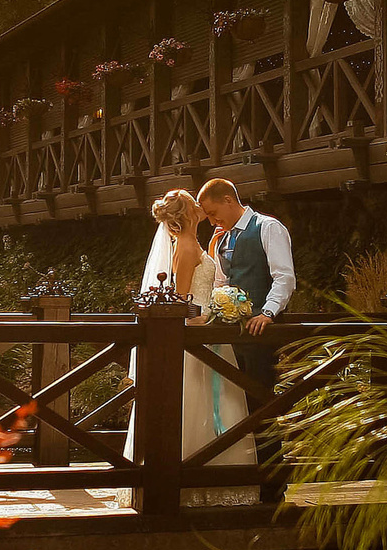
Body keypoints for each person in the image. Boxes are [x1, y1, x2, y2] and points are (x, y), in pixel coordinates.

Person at [125, 190, 255, 466]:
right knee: (197, 402)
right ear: (187, 213)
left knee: (217, 399)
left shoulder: (193, 243)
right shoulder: (184, 246)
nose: (200, 206)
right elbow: (180, 300)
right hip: (197, 336)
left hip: (207, 334)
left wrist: (221, 305)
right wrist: (208, 315)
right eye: (194, 203)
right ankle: (190, 469)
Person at [193, 179, 293, 501]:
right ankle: (246, 478)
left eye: (213, 213)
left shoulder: (268, 228)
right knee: (236, 406)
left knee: (263, 404)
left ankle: (273, 485)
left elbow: (284, 276)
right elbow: (223, 280)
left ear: (227, 199)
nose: (211, 221)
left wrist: (268, 312)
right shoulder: (222, 238)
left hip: (260, 334)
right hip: (230, 337)